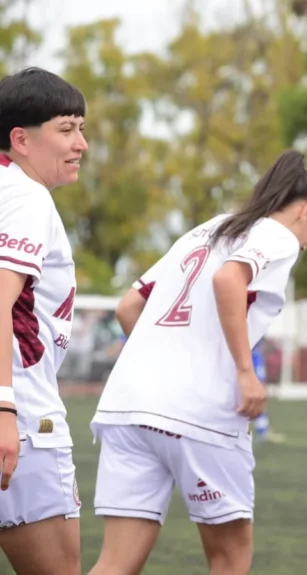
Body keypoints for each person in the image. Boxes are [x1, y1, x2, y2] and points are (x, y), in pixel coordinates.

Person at [87, 150, 307, 575]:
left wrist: (158, 363)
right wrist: (243, 370)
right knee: (230, 557)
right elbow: (227, 278)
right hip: (200, 412)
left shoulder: (208, 229)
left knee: (115, 563)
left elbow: (128, 307)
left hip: (127, 407)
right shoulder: (277, 235)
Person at [0, 67, 88, 575]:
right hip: (26, 418)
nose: (81, 142)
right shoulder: (27, 196)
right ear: (21, 139)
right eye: (67, 128)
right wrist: (5, 408)